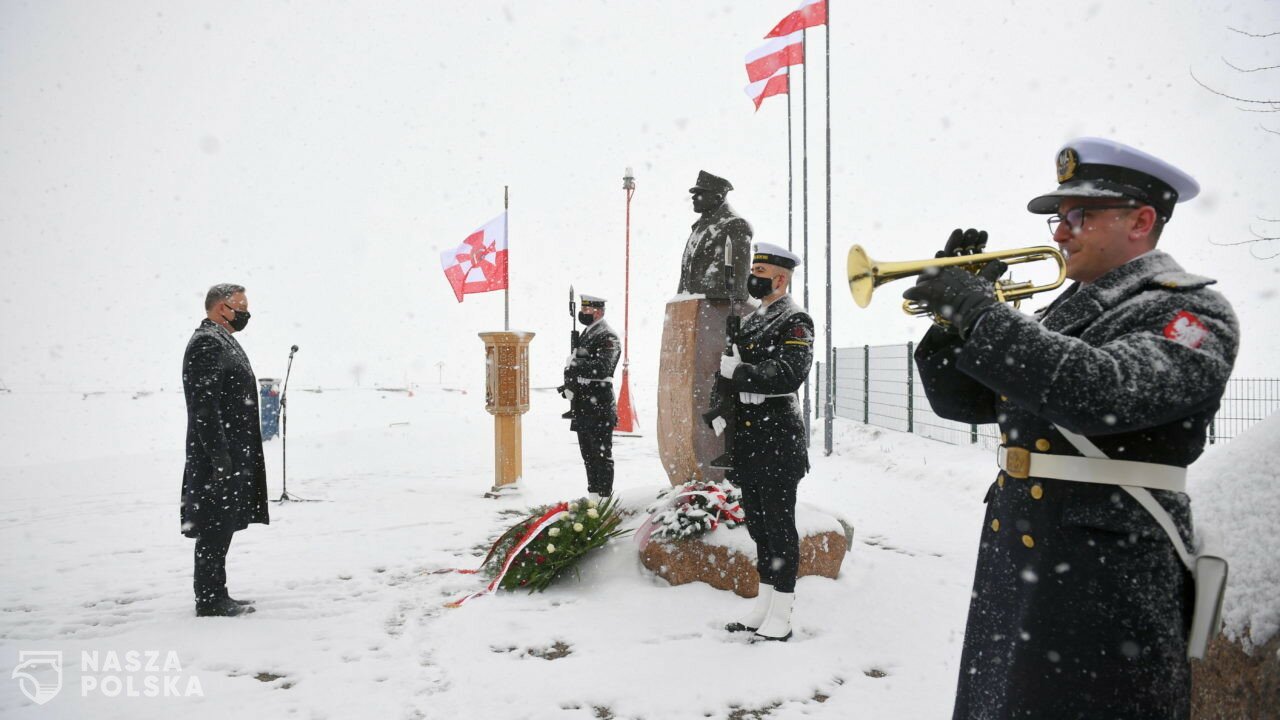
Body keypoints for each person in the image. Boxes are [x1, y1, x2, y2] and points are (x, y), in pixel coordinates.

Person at [903, 138, 1239, 718]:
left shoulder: (1190, 311)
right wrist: (952, 321)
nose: (1060, 232)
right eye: (1058, 217)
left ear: (1141, 221)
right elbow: (962, 402)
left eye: (1079, 215)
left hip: (1106, 571)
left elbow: (1100, 392)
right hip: (1024, 551)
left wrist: (983, 313)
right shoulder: (1062, 311)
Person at [709, 242, 814, 642]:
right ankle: (763, 604)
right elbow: (728, 369)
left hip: (777, 438)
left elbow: (790, 372)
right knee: (758, 526)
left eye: (761, 273)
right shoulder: (752, 319)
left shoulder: (795, 319)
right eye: (753, 271)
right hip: (750, 439)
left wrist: (741, 373)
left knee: (779, 526)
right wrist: (719, 405)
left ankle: (782, 613)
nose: (753, 278)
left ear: (781, 279)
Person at [181, 283, 271, 617]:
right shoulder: (207, 343)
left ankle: (216, 592)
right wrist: (219, 457)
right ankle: (209, 599)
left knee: (222, 525)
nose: (246, 315)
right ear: (223, 308)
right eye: (241, 308)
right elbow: (204, 408)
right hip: (219, 457)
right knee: (214, 527)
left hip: (232, 453)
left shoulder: (222, 340)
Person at [559, 294, 622, 500]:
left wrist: (575, 363)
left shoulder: (608, 335)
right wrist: (569, 384)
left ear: (599, 312)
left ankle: (604, 499)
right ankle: (593, 497)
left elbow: (603, 368)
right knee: (588, 456)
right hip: (583, 405)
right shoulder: (587, 333)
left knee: (601, 456)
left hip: (599, 406)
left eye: (587, 310)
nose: (583, 313)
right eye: (582, 310)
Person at [677, 170, 753, 299]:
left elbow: (735, 283)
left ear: (717, 197)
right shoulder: (697, 228)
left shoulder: (735, 226)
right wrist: (681, 300)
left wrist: (704, 299)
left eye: (700, 193)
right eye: (694, 193)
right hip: (692, 306)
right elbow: (686, 279)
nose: (694, 197)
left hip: (718, 307)